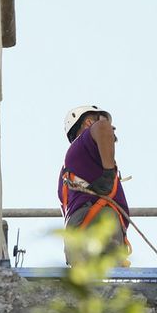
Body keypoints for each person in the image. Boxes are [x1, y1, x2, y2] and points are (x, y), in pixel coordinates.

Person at [58, 103, 132, 262]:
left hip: (78, 233)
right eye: (103, 120)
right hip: (96, 224)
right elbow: (102, 127)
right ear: (89, 123)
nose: (112, 129)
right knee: (108, 276)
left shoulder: (72, 166)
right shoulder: (83, 145)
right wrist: (108, 174)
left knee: (89, 278)